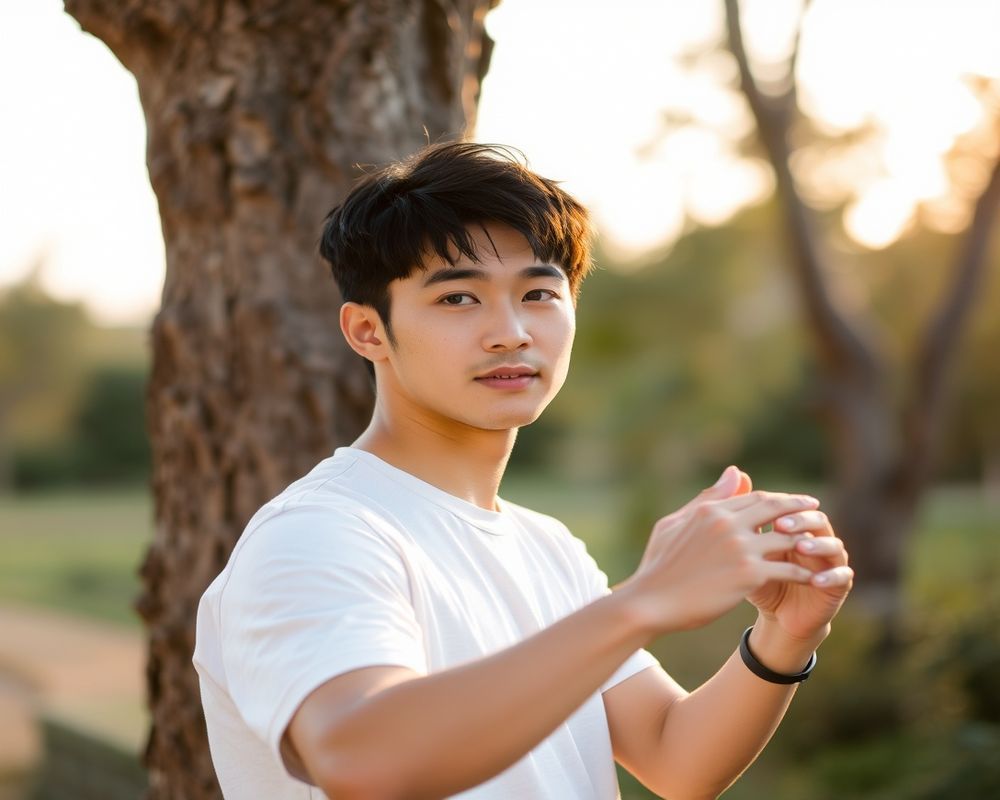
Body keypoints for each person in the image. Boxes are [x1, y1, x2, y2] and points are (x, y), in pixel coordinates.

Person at [193, 141, 853, 799]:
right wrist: (643, 600)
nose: (510, 332)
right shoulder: (318, 533)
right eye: (458, 298)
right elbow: (360, 758)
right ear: (368, 331)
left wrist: (784, 637)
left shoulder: (548, 547)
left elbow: (674, 756)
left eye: (538, 293)